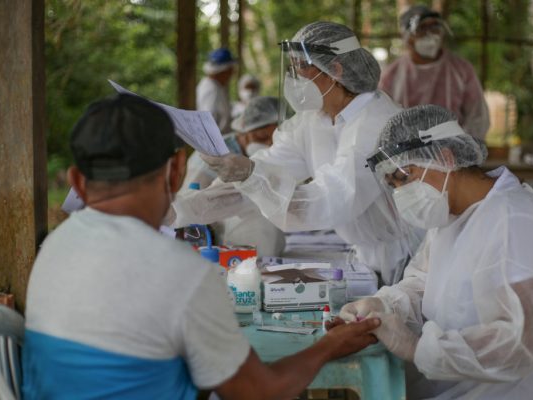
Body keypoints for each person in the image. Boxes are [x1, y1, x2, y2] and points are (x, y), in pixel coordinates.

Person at [21, 93, 381, 399]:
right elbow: (260, 392)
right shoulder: (184, 273)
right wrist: (332, 344)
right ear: (177, 171)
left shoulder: (51, 250)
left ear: (76, 183)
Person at [338, 104, 533, 399]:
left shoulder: (517, 221)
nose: (401, 195)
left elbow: (520, 344)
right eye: (394, 186)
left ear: (445, 158)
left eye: (405, 178)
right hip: (458, 383)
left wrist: (418, 347)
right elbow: (421, 283)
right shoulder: (450, 217)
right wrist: (382, 306)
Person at [178, 21, 418, 284]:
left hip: (406, 258)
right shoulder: (313, 121)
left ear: (334, 69)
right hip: (365, 257)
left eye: (300, 67)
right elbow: (264, 172)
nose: (293, 77)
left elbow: (327, 201)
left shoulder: (377, 123)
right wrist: (185, 208)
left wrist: (249, 175)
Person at [178, 96, 285, 257]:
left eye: (275, 139)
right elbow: (192, 204)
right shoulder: (213, 158)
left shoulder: (254, 157)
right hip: (216, 245)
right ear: (244, 131)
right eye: (262, 137)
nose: (269, 144)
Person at [379, 5, 490, 140]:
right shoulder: (392, 75)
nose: (430, 35)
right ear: (407, 37)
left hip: (453, 156)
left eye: (435, 28)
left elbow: (477, 118)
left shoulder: (461, 70)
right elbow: (381, 122)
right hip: (405, 158)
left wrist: (459, 148)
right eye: (421, 29)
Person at [197, 48, 236, 133]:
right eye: (230, 70)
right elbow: (209, 122)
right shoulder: (211, 89)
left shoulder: (217, 87)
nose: (232, 74)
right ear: (223, 71)